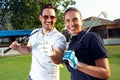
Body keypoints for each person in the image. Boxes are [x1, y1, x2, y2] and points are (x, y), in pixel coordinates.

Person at [10, 4, 66, 80]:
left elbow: (59, 59)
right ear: (40, 18)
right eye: (45, 16)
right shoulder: (35, 32)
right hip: (32, 77)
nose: (49, 20)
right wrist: (17, 48)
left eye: (52, 17)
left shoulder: (60, 37)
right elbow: (28, 50)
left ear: (55, 19)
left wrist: (52, 53)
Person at [62, 7, 110, 80]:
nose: (71, 24)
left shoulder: (92, 38)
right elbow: (74, 71)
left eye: (75, 19)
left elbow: (105, 73)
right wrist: (67, 62)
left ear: (81, 21)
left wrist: (78, 65)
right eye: (68, 20)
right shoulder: (71, 43)